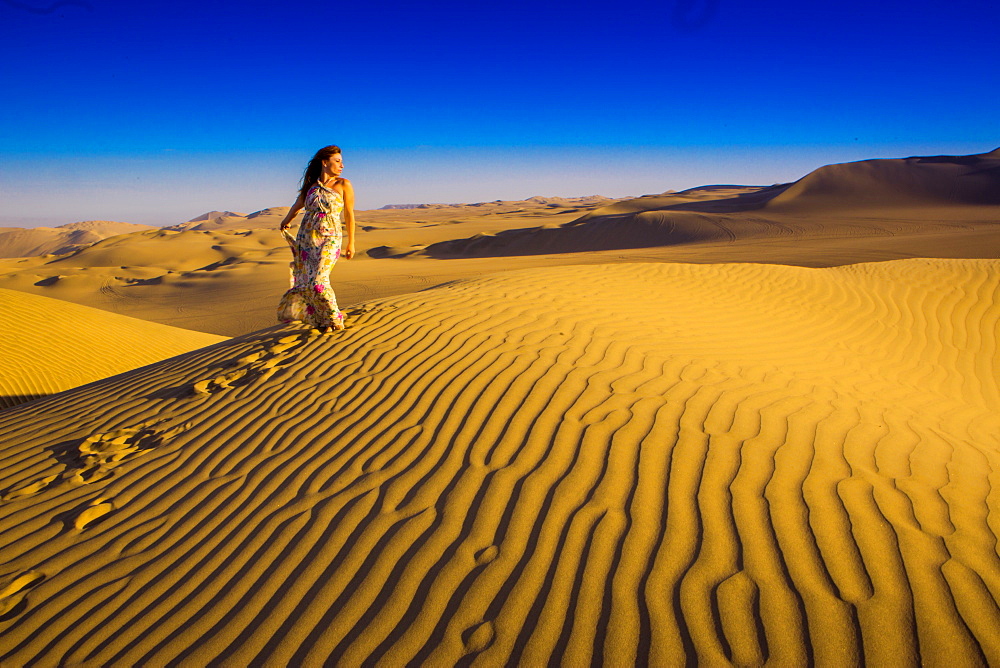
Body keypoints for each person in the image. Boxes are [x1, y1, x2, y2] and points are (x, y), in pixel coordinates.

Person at [277, 145, 356, 333]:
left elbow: (349, 215)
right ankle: (321, 320)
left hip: (330, 237)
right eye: (337, 161)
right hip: (307, 237)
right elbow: (298, 205)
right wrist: (286, 220)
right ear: (324, 162)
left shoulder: (344, 184)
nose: (341, 165)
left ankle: (335, 319)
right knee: (308, 282)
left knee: (320, 280)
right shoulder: (312, 186)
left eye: (341, 162)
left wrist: (351, 242)